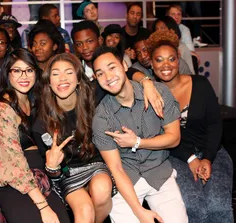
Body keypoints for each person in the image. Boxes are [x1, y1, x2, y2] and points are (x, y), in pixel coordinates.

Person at [92, 46, 188, 223]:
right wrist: (139, 212)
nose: (108, 77)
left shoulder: (158, 93)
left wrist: (137, 142)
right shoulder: (101, 118)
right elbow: (117, 169)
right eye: (100, 73)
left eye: (112, 67)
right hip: (127, 179)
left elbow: (174, 138)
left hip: (159, 171)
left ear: (124, 66)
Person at [148, 30, 233, 223]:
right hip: (177, 156)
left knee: (218, 204)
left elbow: (214, 124)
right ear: (151, 65)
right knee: (194, 206)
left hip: (213, 153)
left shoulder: (200, 84)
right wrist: (191, 158)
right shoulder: (152, 95)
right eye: (159, 60)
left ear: (178, 60)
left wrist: (208, 159)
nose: (166, 65)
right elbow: (164, 135)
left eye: (171, 58)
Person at [0, 48, 70, 223]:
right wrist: (43, 206)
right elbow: (14, 161)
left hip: (42, 176)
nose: (24, 76)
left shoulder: (36, 101)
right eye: (17, 70)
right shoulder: (2, 109)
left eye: (29, 70)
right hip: (14, 181)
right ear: (8, 74)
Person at [32, 53, 115, 223]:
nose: (62, 78)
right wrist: (51, 167)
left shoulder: (93, 97)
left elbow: (123, 75)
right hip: (67, 173)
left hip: (95, 163)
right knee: (84, 210)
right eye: (55, 74)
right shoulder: (40, 119)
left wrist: (146, 82)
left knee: (102, 189)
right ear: (48, 81)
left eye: (69, 72)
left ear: (78, 78)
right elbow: (51, 174)